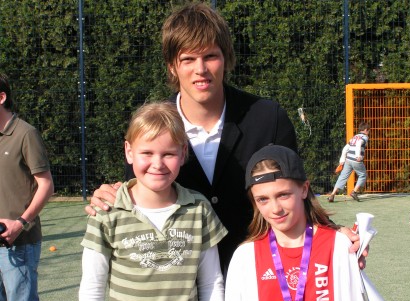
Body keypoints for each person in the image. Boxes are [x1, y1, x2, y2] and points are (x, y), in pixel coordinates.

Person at [85, 2, 364, 273]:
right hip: (184, 294)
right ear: (172, 66)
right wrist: (109, 195)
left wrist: (333, 235)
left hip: (261, 278)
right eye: (188, 59)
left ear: (226, 58)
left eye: (210, 56)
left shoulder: (268, 118)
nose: (200, 69)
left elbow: (294, 194)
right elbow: (136, 193)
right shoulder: (151, 130)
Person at [79, 101, 228, 301]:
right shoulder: (107, 213)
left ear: (183, 153)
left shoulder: (199, 209)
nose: (157, 164)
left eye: (168, 153)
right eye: (146, 153)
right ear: (129, 151)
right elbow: (92, 290)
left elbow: (210, 282)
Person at [223, 144, 376, 301]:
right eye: (263, 199)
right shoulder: (245, 257)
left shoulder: (338, 246)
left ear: (304, 189)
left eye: (283, 195)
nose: (275, 208)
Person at [0, 73, 54, 301]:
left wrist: (20, 223)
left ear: (1, 98)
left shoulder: (25, 133)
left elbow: (46, 185)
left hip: (19, 241)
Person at [328, 121, 371, 202]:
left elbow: (345, 148)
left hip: (348, 159)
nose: (369, 132)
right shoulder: (364, 137)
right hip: (356, 160)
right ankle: (354, 192)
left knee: (343, 177)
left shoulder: (354, 137)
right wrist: (358, 155)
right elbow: (359, 143)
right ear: (365, 130)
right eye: (369, 130)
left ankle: (332, 194)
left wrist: (342, 160)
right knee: (363, 175)